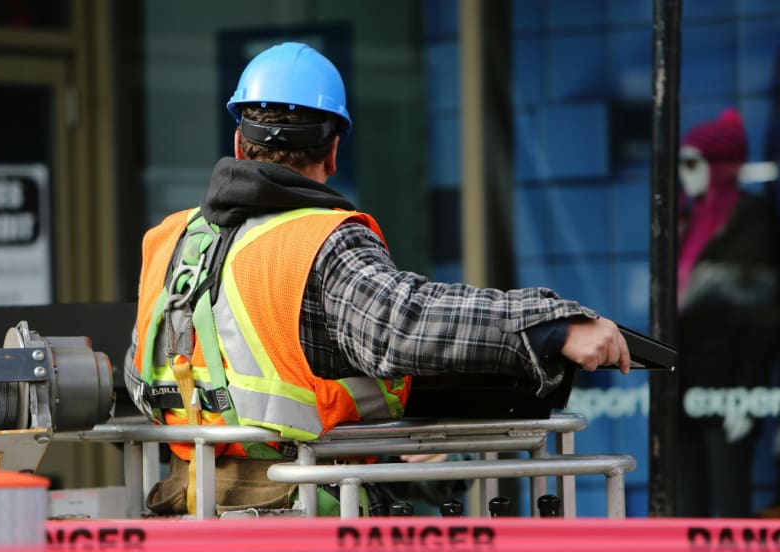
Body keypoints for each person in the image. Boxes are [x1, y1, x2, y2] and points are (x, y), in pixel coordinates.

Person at [124, 41, 631, 517]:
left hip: (187, 510)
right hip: (302, 515)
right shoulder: (320, 241)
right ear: (333, 152)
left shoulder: (170, 241)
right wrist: (552, 326)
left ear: (238, 141)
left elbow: (140, 371)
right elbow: (402, 324)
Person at [675, 108, 780, 517]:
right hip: (683, 383)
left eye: (692, 163)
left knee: (730, 504)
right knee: (687, 505)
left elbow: (762, 316)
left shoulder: (751, 220)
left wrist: (747, 393)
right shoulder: (683, 219)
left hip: (729, 385)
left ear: (719, 166)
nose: (685, 173)